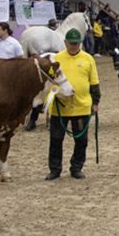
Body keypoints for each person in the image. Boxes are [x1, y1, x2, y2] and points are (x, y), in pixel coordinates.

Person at [46, 28, 99, 180]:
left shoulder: (88, 58)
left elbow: (94, 82)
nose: (74, 46)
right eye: (71, 43)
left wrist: (95, 102)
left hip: (81, 106)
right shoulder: (56, 58)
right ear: (65, 43)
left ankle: (76, 167)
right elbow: (50, 81)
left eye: (76, 43)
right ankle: (55, 169)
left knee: (81, 140)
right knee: (56, 139)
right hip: (59, 107)